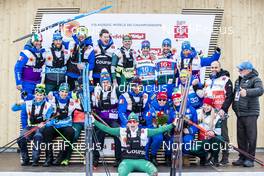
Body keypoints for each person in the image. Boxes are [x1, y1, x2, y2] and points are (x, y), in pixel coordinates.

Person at [93, 112, 178, 176]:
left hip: (142, 161)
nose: (132, 123)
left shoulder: (144, 131)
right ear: (128, 123)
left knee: (154, 171)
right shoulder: (122, 131)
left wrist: (172, 125)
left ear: (138, 123)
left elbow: (158, 130)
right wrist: (94, 121)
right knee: (121, 173)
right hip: (126, 161)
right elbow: (107, 129)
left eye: (134, 121)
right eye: (130, 121)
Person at [12, 84, 53, 166]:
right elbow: (13, 109)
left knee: (37, 137)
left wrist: (45, 123)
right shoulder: (28, 103)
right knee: (21, 139)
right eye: (37, 95)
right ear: (35, 94)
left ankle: (35, 160)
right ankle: (25, 159)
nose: (39, 97)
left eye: (41, 95)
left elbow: (50, 120)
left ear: (44, 95)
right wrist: (17, 103)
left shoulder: (48, 106)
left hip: (40, 127)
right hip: (30, 127)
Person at [232, 61, 263, 167]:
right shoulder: (238, 80)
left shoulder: (256, 79)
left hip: (250, 113)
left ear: (248, 70)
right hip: (240, 113)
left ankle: (250, 159)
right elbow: (234, 94)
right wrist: (234, 107)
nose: (239, 71)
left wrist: (247, 92)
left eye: (241, 69)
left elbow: (260, 90)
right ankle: (242, 157)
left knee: (251, 137)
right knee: (241, 137)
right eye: (239, 69)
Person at [203, 61, 233, 164]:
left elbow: (230, 96)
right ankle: (212, 155)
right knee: (210, 133)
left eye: (216, 67)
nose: (214, 69)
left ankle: (225, 156)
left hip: (220, 112)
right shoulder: (208, 80)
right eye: (212, 67)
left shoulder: (226, 79)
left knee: (223, 134)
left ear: (220, 67)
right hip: (210, 112)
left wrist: (223, 109)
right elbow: (205, 95)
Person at [44, 83, 81, 166]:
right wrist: (50, 92)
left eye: (66, 92)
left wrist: (78, 97)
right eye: (62, 91)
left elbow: (82, 106)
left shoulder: (72, 101)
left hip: (65, 125)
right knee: (46, 131)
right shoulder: (52, 99)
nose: (64, 94)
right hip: (54, 125)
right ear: (59, 91)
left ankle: (60, 157)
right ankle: (49, 158)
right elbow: (42, 101)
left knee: (71, 132)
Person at [92, 68, 121, 167]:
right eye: (103, 82)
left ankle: (119, 159)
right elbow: (94, 106)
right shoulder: (96, 90)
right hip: (101, 119)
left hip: (112, 119)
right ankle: (95, 158)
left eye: (107, 82)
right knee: (98, 133)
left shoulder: (116, 90)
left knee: (118, 133)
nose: (106, 84)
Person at [167, 91, 198, 165]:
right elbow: (169, 123)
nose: (176, 101)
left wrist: (189, 130)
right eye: (174, 100)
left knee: (187, 140)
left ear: (181, 99)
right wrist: (172, 128)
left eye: (177, 99)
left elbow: (196, 124)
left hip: (187, 131)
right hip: (176, 131)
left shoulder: (191, 109)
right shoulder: (172, 111)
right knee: (172, 141)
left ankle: (185, 156)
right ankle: (172, 157)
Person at [191, 97, 223, 166]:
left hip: (210, 140)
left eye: (208, 105)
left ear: (211, 106)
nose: (206, 107)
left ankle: (215, 157)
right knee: (192, 150)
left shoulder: (216, 116)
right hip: (201, 140)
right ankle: (203, 156)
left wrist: (213, 132)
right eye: (204, 105)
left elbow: (219, 131)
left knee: (220, 138)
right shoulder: (198, 112)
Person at [14, 32, 45, 100]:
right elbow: (17, 68)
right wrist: (18, 82)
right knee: (27, 104)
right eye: (36, 41)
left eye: (40, 41)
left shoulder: (43, 52)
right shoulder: (26, 53)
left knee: (37, 106)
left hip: (38, 84)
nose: (39, 43)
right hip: (27, 83)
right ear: (32, 41)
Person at [144, 92, 170, 166]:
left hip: (165, 128)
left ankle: (168, 157)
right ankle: (152, 156)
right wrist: (156, 125)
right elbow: (148, 121)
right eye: (160, 99)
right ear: (157, 99)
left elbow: (170, 119)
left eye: (164, 100)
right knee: (157, 137)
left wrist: (166, 126)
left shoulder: (168, 107)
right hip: (153, 129)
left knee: (170, 138)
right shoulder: (152, 107)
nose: (162, 101)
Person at [66, 26, 95, 90]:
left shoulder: (90, 48)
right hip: (71, 74)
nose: (81, 37)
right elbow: (59, 44)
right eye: (79, 35)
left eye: (83, 35)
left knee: (82, 94)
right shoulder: (72, 43)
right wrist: (59, 31)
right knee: (71, 94)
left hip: (82, 76)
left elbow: (92, 65)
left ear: (86, 36)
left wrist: (84, 66)